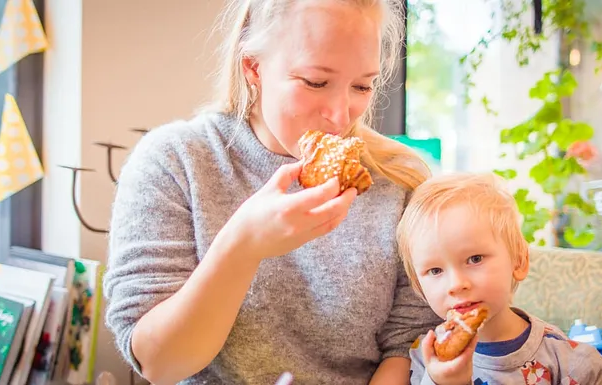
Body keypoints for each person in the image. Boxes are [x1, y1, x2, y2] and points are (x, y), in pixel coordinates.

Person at [102, 0, 442, 384]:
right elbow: (160, 364)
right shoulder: (175, 162)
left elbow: (409, 347)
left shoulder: (400, 181)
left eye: (362, 85)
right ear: (253, 68)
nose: (340, 114)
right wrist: (243, 245)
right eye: (316, 82)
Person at [396, 173, 602, 385]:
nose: (456, 284)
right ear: (418, 285)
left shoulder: (567, 361)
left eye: (474, 259)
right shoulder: (426, 359)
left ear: (519, 261)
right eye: (435, 271)